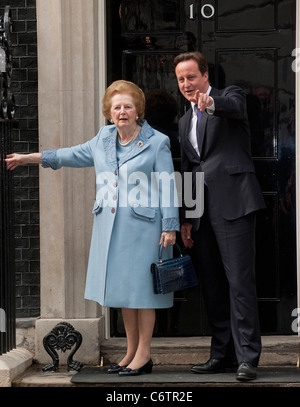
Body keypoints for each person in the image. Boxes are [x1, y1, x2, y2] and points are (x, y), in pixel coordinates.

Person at [6, 80, 180, 376]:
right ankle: (130, 352)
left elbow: (166, 186)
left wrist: (170, 225)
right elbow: (68, 155)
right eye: (116, 107)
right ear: (109, 112)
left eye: (127, 106)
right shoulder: (103, 139)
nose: (122, 112)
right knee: (125, 294)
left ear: (138, 110)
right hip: (112, 229)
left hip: (146, 228)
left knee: (143, 293)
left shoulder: (157, 142)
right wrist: (28, 158)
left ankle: (145, 355)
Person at [174, 52, 266, 381]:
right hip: (201, 214)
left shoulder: (230, 97)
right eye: (181, 79)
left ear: (205, 76)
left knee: (240, 283)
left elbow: (237, 109)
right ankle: (221, 354)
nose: (186, 84)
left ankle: (247, 358)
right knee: (213, 286)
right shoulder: (184, 122)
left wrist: (209, 103)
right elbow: (188, 169)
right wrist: (186, 217)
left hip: (234, 204)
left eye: (191, 77)